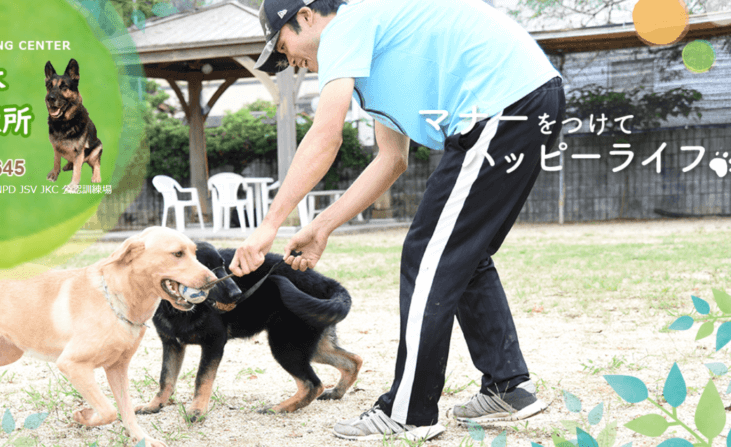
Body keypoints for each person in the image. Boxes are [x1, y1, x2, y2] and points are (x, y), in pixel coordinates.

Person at [229, 0, 566, 441]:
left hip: (502, 105)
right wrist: (324, 224)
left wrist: (269, 224)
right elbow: (391, 160)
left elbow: (325, 135)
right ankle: (508, 385)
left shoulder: (345, 27)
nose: (287, 59)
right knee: (462, 256)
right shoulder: (376, 48)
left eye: (283, 42)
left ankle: (410, 412)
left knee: (428, 254)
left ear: (307, 16)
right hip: (526, 102)